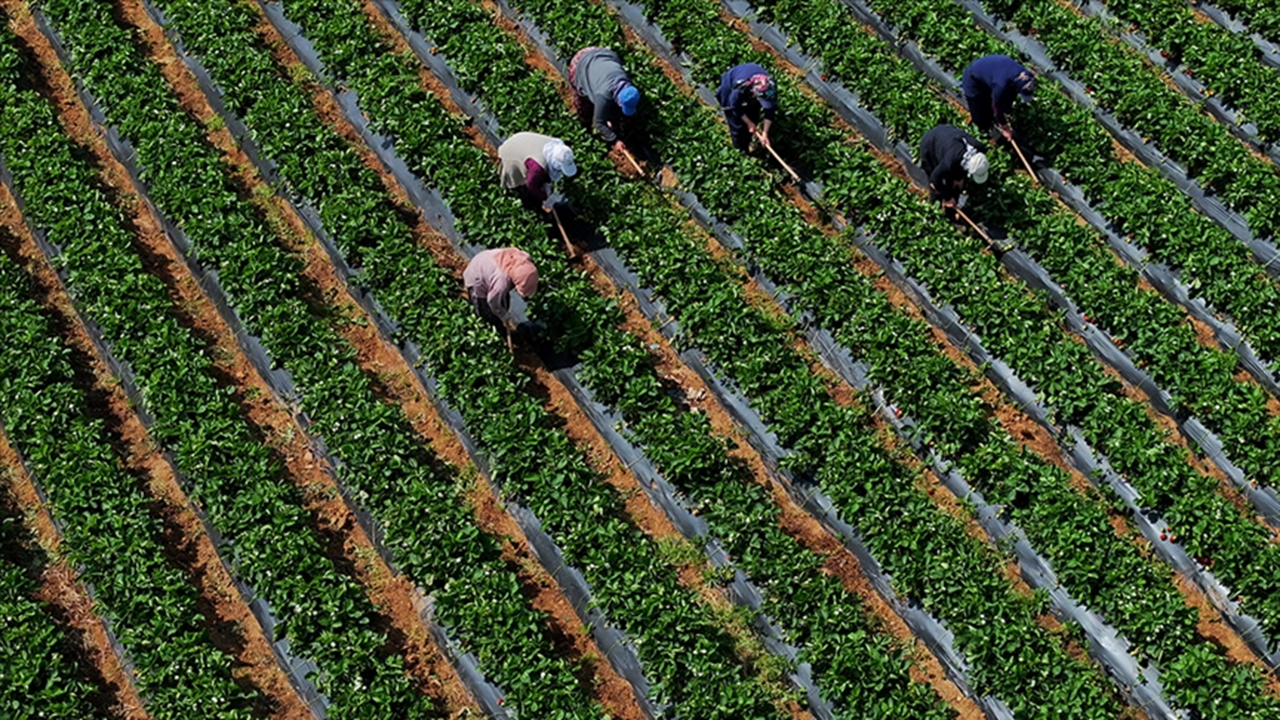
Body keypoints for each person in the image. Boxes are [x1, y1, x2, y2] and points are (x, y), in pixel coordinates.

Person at [463, 248, 538, 351]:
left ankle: (503, 328)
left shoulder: (524, 259)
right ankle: (498, 335)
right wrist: (503, 315)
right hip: (476, 277)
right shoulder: (501, 282)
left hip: (487, 262)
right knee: (487, 313)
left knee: (504, 302)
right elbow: (492, 301)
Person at [568, 47, 641, 150]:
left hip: (602, 54)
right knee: (583, 104)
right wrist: (614, 140)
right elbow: (599, 122)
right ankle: (584, 127)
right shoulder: (603, 95)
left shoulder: (625, 81)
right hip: (580, 63)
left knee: (608, 108)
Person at [961, 54, 1035, 141]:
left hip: (991, 75)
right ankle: (984, 129)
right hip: (973, 79)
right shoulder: (1001, 85)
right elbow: (996, 106)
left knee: (1005, 100)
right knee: (981, 113)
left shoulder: (1028, 76)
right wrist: (1004, 126)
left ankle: (999, 116)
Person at [498, 132, 577, 212]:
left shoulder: (557, 146)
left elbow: (546, 169)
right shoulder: (537, 167)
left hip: (522, 141)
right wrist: (545, 197)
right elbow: (531, 185)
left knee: (538, 177)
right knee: (521, 186)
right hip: (511, 151)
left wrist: (547, 184)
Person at [919, 124, 989, 211]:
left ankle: (952, 198)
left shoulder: (980, 148)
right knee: (935, 181)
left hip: (947, 132)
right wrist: (947, 198)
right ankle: (934, 208)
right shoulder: (950, 161)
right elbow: (934, 179)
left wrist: (959, 178)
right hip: (930, 144)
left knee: (954, 178)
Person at [716, 62, 777, 151]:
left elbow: (770, 111)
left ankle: (749, 137)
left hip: (751, 82)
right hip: (730, 85)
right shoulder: (739, 89)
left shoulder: (770, 87)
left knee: (753, 114)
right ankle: (740, 148)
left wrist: (765, 133)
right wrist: (749, 123)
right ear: (754, 93)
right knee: (736, 123)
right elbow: (735, 107)